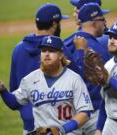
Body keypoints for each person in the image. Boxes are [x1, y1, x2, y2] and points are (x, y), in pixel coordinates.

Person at [0, 36, 93, 135]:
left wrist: (61, 131)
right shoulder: (30, 79)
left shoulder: (74, 79)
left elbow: (85, 113)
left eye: (52, 51)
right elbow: (15, 103)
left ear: (61, 55)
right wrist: (2, 90)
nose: (47, 54)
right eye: (44, 51)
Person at [9, 3, 82, 134]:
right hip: (56, 124)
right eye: (59, 22)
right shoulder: (59, 49)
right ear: (54, 24)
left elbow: (14, 91)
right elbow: (78, 81)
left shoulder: (18, 49)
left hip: (29, 124)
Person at [65, 3, 110, 135]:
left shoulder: (66, 42)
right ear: (95, 23)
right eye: (103, 20)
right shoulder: (99, 48)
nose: (105, 23)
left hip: (71, 113)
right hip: (94, 112)